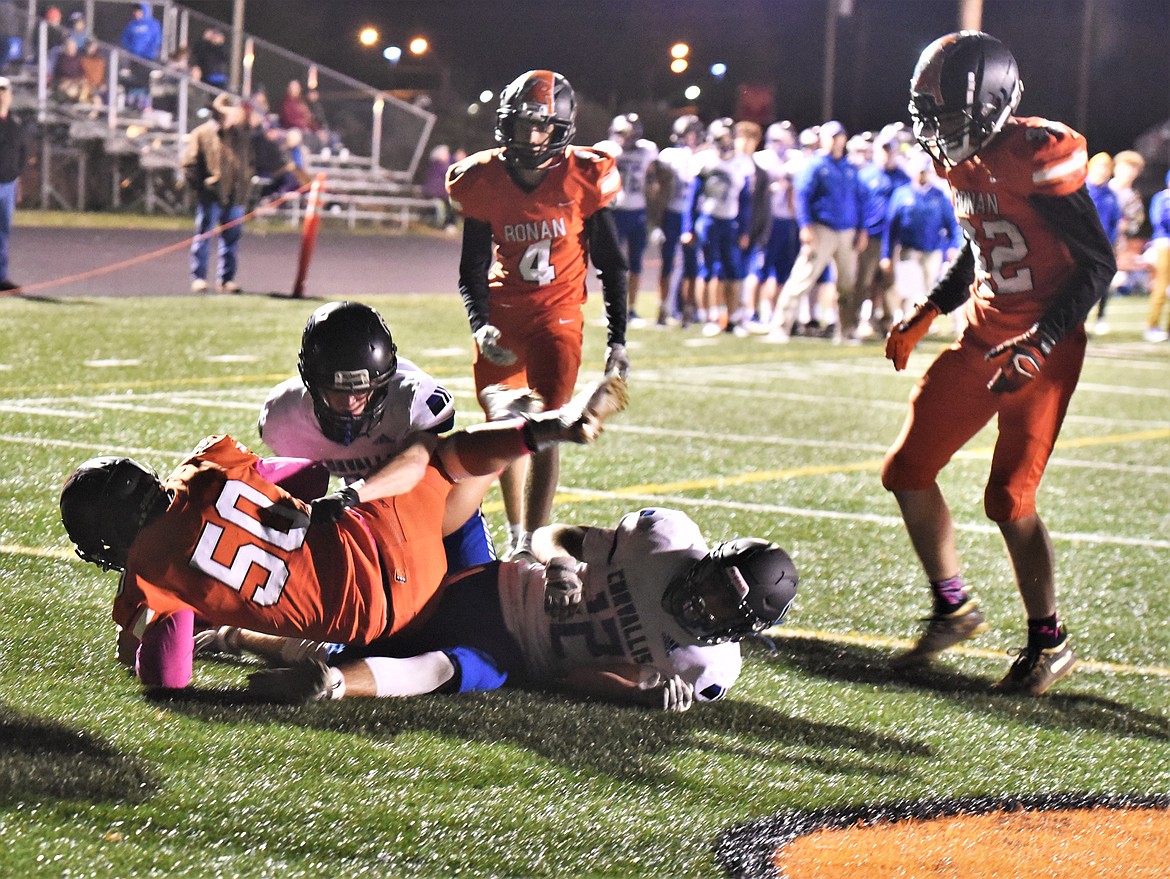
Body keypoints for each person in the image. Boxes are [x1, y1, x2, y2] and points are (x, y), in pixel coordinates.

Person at [59, 373, 629, 691]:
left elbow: (166, 676)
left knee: (431, 663)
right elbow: (305, 472)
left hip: (377, 618)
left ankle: (329, 680)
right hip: (387, 533)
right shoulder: (207, 462)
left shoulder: (149, 575)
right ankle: (530, 431)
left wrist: (149, 629)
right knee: (442, 457)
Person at [882, 31, 1116, 696]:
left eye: (948, 118)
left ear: (989, 107)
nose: (937, 133)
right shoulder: (960, 162)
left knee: (1009, 497)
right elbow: (982, 241)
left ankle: (1051, 640)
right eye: (929, 118)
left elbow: (1099, 263)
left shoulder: (1038, 152)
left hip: (1045, 344)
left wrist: (1040, 342)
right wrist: (930, 308)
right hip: (982, 334)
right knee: (907, 470)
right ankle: (954, 606)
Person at [224, 508, 798, 713]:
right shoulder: (664, 541)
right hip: (495, 589)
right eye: (717, 583)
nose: (707, 599)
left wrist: (635, 692)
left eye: (727, 604)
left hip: (514, 656)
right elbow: (557, 534)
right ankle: (236, 631)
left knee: (447, 672)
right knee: (376, 619)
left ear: (741, 629)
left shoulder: (708, 670)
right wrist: (559, 565)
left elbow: (573, 677)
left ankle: (331, 684)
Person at [445, 69, 629, 559]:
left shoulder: (584, 174)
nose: (530, 135)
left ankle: (532, 539)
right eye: (521, 123)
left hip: (559, 315)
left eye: (541, 126)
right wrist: (479, 323)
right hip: (504, 314)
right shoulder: (481, 178)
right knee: (504, 426)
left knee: (548, 426)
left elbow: (613, 263)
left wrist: (619, 342)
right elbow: (473, 267)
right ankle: (516, 535)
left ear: (561, 127)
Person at [259, 300, 495, 569]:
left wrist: (351, 494)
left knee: (478, 590)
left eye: (361, 391)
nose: (350, 404)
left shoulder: (413, 398)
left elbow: (416, 461)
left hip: (440, 510)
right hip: (370, 515)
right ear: (311, 383)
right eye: (337, 392)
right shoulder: (283, 417)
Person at [766, 120, 870, 344]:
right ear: (823, 139)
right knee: (802, 278)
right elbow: (802, 197)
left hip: (848, 232)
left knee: (847, 285)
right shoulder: (814, 165)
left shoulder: (850, 167)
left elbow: (860, 201)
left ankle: (846, 330)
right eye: (831, 136)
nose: (835, 141)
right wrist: (805, 225)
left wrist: (862, 230)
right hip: (822, 229)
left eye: (839, 136)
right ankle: (780, 326)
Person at [683, 118, 755, 336]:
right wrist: (688, 227)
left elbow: (745, 201)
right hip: (709, 219)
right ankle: (711, 316)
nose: (724, 142)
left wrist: (744, 229)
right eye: (720, 138)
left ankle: (733, 319)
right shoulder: (704, 161)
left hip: (730, 221)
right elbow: (692, 198)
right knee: (710, 269)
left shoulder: (742, 162)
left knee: (733, 270)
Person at [181, 93, 256, 294]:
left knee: (231, 239)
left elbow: (250, 160)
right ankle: (199, 277)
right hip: (211, 195)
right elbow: (189, 164)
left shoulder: (241, 136)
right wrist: (202, 186)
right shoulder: (202, 133)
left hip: (235, 194)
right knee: (203, 236)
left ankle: (226, 279)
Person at [883, 149, 961, 325]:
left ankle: (916, 324)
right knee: (909, 289)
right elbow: (891, 227)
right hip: (908, 249)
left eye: (924, 171)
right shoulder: (902, 194)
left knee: (925, 290)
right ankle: (906, 323)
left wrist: (953, 246)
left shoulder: (938, 196)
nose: (922, 175)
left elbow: (952, 224)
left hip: (932, 250)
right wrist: (885, 254)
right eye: (919, 171)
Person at [596, 113, 659, 324]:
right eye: (621, 133)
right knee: (612, 265)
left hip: (637, 211)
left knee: (636, 263)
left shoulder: (647, 150)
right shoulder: (606, 149)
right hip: (614, 212)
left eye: (628, 133)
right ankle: (610, 309)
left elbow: (651, 177)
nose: (624, 137)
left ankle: (630, 309)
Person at [854, 124, 913, 341]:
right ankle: (858, 321)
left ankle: (886, 321)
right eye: (884, 150)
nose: (887, 154)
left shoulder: (903, 178)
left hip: (896, 239)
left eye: (891, 150)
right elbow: (857, 205)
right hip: (870, 236)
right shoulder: (865, 175)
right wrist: (859, 231)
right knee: (865, 281)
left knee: (889, 284)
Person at [652, 113, 705, 326]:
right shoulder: (669, 155)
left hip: (692, 215)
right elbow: (657, 186)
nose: (691, 138)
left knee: (691, 265)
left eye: (694, 134)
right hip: (671, 213)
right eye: (687, 134)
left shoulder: (705, 157)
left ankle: (688, 309)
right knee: (667, 263)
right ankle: (663, 308)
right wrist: (656, 220)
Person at [1083, 152, 1123, 335]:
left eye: (1107, 168)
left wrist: (1112, 243)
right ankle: (1078, 323)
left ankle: (1100, 318)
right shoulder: (1080, 188)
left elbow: (1116, 221)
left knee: (1103, 284)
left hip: (1104, 246)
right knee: (1080, 285)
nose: (1103, 172)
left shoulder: (1111, 195)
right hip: (1082, 246)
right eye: (1100, 167)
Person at [0, 75, 26, 292]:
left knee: (3, 231)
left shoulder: (15, 123)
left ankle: (1, 277)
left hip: (8, 183)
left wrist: (17, 174)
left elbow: (22, 151)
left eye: (4, 91)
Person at [119, 2, 161, 111]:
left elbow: (156, 40)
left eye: (139, 10)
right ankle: (132, 104)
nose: (136, 13)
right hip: (134, 59)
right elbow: (125, 40)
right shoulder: (131, 25)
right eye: (135, 11)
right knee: (133, 81)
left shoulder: (153, 24)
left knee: (145, 82)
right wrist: (132, 51)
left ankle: (145, 105)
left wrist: (148, 52)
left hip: (147, 59)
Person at [1145, 171, 1170, 342]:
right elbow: (1158, 220)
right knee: (1161, 286)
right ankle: (1152, 326)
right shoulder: (1163, 198)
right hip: (1165, 244)